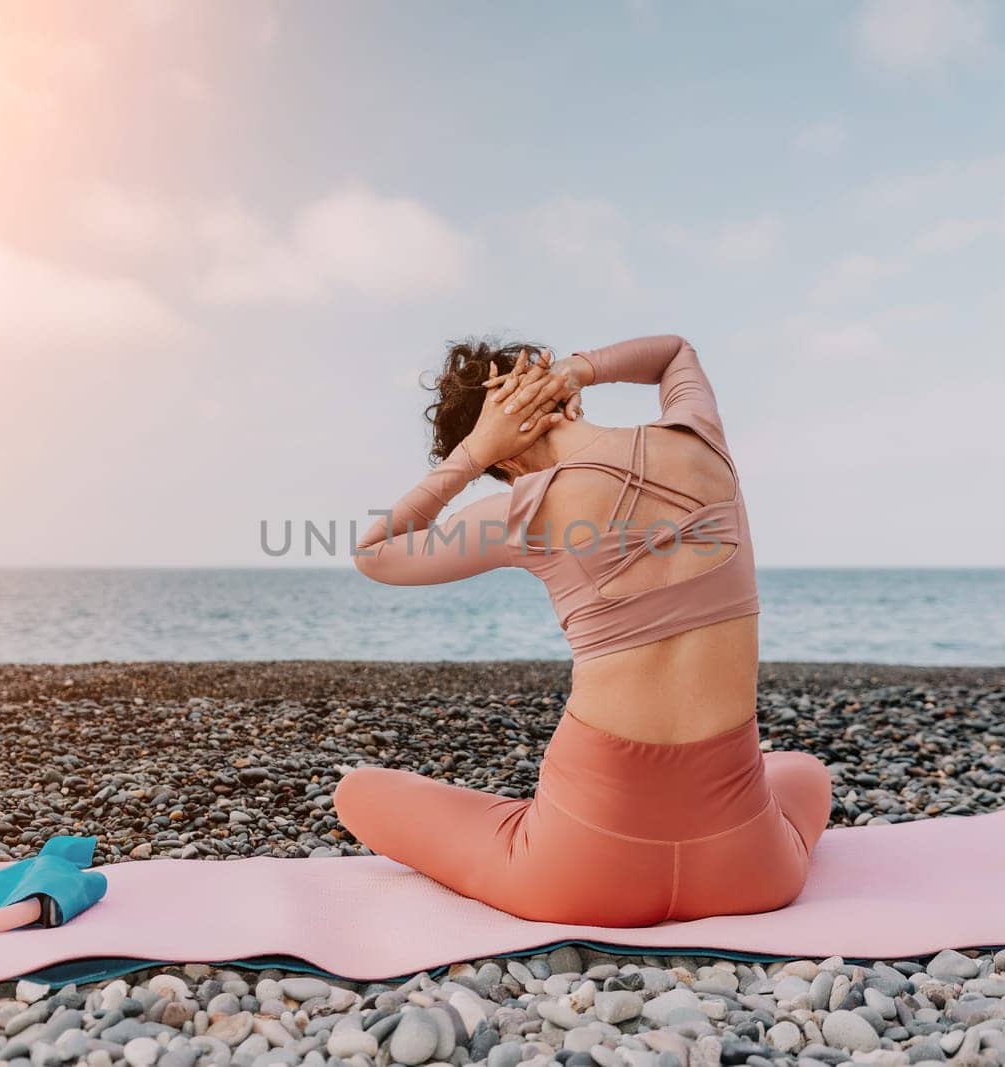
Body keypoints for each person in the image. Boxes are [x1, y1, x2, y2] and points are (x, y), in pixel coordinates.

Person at [334, 335, 831, 926]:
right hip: (752, 871)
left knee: (357, 791)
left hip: (581, 876)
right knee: (804, 770)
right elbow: (675, 352)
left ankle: (546, 828)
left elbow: (375, 554)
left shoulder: (522, 508)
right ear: (568, 401)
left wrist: (469, 455)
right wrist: (575, 371)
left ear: (504, 459)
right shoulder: (701, 441)